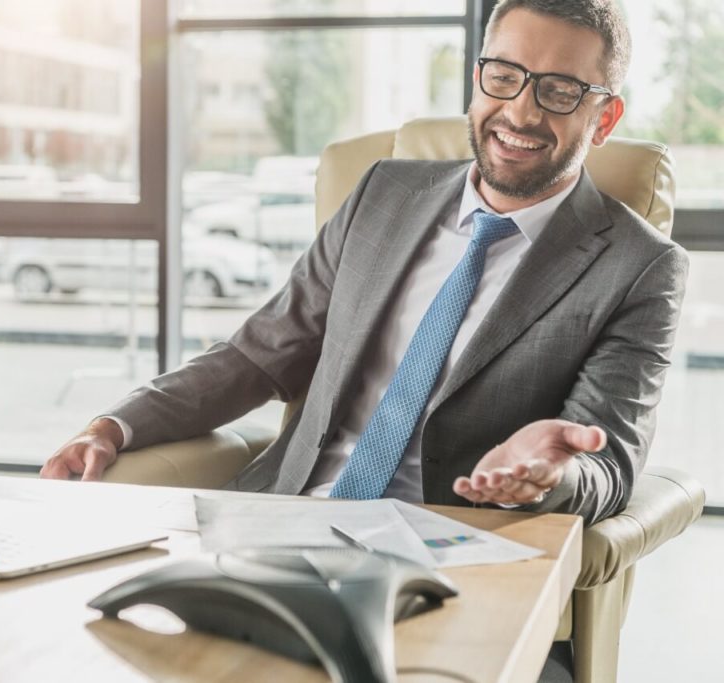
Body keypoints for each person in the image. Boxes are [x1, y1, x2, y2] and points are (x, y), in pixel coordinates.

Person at [42, 0, 687, 526]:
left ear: (604, 118)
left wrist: (554, 474)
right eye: (504, 76)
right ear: (477, 77)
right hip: (282, 519)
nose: (521, 110)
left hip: (451, 553)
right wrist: (115, 425)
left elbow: (609, 465)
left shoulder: (639, 267)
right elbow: (256, 354)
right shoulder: (384, 193)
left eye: (561, 91)